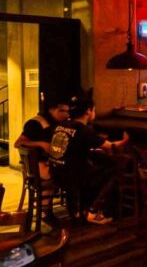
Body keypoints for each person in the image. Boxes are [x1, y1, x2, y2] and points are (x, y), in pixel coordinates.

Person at [48, 99, 129, 224]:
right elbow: (111, 146)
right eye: (94, 110)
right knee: (116, 170)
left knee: (97, 165)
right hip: (72, 177)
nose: (94, 113)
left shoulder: (61, 125)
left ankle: (82, 209)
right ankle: (94, 210)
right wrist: (125, 140)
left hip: (55, 173)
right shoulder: (83, 130)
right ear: (88, 111)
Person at [14, 95, 71, 227]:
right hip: (38, 165)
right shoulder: (36, 123)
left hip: (51, 161)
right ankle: (46, 212)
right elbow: (18, 143)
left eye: (68, 111)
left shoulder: (60, 124)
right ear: (51, 110)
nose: (66, 114)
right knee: (59, 175)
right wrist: (41, 144)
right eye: (62, 111)